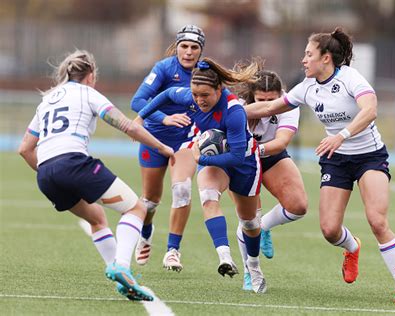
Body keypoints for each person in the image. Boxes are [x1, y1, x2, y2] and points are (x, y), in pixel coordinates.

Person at [244, 27, 395, 304]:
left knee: (377, 220)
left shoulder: (349, 77)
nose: (303, 60)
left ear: (326, 58)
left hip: (369, 157)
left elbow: (370, 109)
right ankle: (352, 247)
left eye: (308, 54)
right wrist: (223, 111)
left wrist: (342, 136)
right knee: (329, 229)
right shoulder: (306, 87)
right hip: (335, 161)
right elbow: (267, 108)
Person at [18, 50, 176, 302]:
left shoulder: (46, 100)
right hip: (73, 162)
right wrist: (163, 148)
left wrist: (52, 171)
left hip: (46, 173)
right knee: (136, 209)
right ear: (91, 75)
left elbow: (24, 149)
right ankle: (121, 266)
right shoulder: (88, 93)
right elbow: (128, 125)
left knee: (97, 217)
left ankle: (126, 281)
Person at [135, 57, 267, 294]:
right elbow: (165, 96)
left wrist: (201, 158)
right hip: (214, 162)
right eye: (195, 95)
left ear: (219, 89)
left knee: (250, 222)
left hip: (244, 163)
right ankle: (225, 257)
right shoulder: (191, 97)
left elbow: (236, 157)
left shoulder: (234, 111)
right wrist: (141, 116)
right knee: (208, 196)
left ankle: (254, 267)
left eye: (205, 95)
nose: (198, 100)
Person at [130, 25, 205, 271]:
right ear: (177, 47)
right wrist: (164, 118)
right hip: (154, 139)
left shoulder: (205, 73)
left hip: (185, 141)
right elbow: (138, 101)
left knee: (182, 189)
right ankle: (146, 232)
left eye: (194, 47)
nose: (189, 52)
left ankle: (173, 251)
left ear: (201, 51)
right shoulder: (164, 68)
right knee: (150, 201)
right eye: (184, 46)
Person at [234, 69, 308, 290]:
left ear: (280, 96)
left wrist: (254, 149)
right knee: (249, 221)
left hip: (270, 155)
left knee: (298, 206)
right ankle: (250, 272)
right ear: (251, 97)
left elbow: (281, 142)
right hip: (241, 162)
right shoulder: (237, 106)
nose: (267, 107)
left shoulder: (289, 103)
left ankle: (265, 227)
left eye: (272, 101)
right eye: (261, 101)